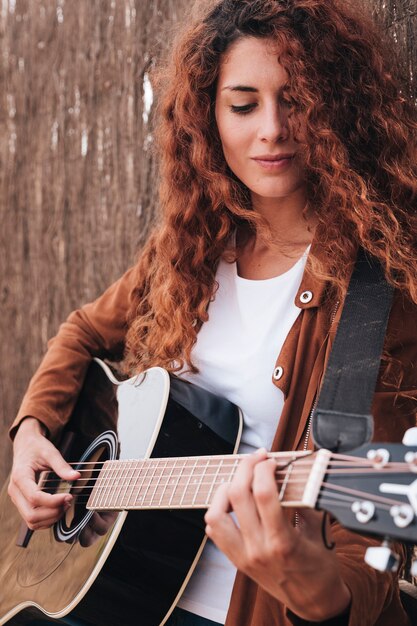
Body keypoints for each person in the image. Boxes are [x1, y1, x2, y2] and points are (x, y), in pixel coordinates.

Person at [7, 0, 417, 625]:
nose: (272, 129)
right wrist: (33, 431)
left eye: (297, 100)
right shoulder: (193, 250)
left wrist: (312, 588)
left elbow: (369, 567)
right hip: (123, 591)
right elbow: (84, 332)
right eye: (244, 104)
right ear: (209, 117)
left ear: (339, 109)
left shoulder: (379, 292)